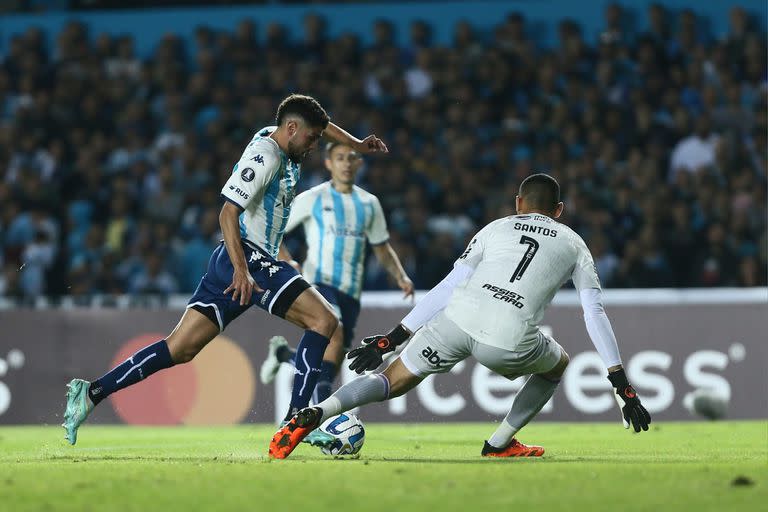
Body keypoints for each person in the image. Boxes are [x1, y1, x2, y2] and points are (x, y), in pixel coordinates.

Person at [62, 94, 388, 445]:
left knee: (179, 349)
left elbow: (322, 128)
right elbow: (227, 213)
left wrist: (355, 143)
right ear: (291, 129)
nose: (313, 145)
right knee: (324, 321)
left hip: (242, 260)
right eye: (311, 138)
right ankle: (296, 420)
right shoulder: (265, 156)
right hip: (248, 258)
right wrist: (241, 270)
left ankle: (92, 392)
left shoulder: (282, 135)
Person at [268, 173, 651, 459]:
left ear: (519, 203)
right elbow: (593, 311)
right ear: (559, 211)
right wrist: (620, 383)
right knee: (558, 364)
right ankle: (499, 443)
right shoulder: (574, 243)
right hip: (508, 338)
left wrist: (394, 337)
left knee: (392, 378)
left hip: (456, 319)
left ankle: (318, 411)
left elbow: (449, 285)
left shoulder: (494, 228)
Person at [259, 141, 414, 445]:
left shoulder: (369, 203)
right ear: (329, 163)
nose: (346, 163)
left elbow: (381, 246)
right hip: (319, 283)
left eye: (352, 158)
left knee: (333, 355)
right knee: (335, 333)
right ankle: (314, 418)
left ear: (359, 164)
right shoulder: (313, 198)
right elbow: (273, 228)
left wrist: (400, 275)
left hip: (350, 292)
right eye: (340, 158)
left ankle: (283, 356)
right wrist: (287, 261)